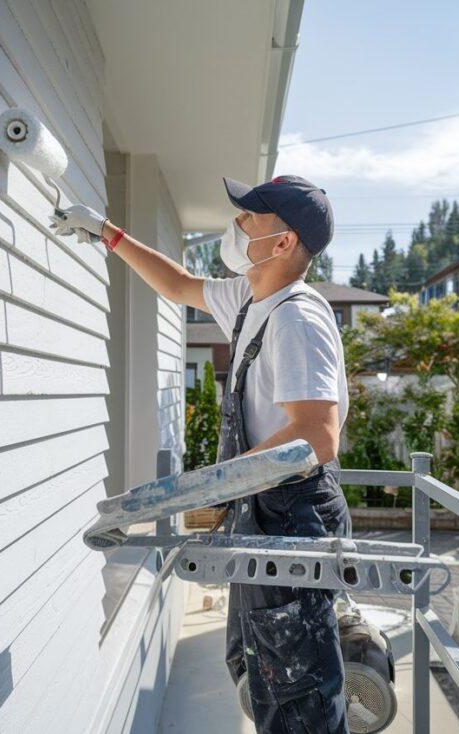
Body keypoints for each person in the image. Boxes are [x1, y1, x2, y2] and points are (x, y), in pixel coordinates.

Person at [50, 175, 351, 734]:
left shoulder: (297, 319)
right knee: (255, 666)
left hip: (293, 514)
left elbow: (316, 437)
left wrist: (207, 487)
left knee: (298, 694)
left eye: (249, 218)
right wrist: (107, 233)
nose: (236, 225)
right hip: (262, 507)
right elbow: (178, 284)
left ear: (283, 242)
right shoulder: (251, 299)